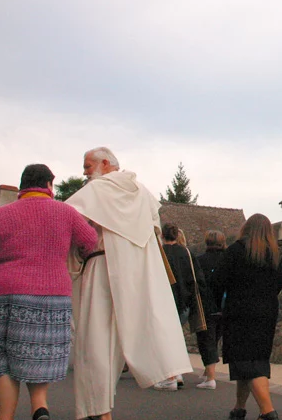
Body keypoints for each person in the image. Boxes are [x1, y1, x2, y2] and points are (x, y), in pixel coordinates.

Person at [0, 164, 97, 420]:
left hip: (6, 294)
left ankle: (4, 417)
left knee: (4, 364)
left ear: (23, 187)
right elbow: (90, 241)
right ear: (48, 186)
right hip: (53, 296)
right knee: (38, 355)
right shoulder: (66, 212)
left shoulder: (1, 215)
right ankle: (39, 406)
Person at [66, 147, 192, 420]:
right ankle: (102, 408)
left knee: (94, 341)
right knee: (116, 336)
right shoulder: (143, 194)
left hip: (101, 267)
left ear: (104, 163)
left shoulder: (94, 191)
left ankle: (99, 409)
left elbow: (70, 226)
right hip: (137, 273)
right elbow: (153, 236)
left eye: (87, 166)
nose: (85, 172)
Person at [212, 214, 282, 420]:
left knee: (247, 363)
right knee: (252, 360)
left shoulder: (236, 251)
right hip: (266, 314)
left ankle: (268, 412)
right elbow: (278, 284)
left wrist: (220, 305)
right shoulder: (275, 256)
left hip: (239, 313)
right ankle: (239, 408)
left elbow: (218, 281)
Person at [155, 222, 209, 391]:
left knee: (164, 339)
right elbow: (197, 278)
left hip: (163, 300)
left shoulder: (158, 253)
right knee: (177, 337)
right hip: (184, 302)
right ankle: (177, 373)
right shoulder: (186, 253)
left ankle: (170, 375)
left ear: (162, 236)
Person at [195, 229, 227, 389]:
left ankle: (211, 378)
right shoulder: (228, 259)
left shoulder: (199, 260)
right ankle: (208, 372)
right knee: (214, 339)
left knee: (206, 340)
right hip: (224, 305)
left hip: (206, 305)